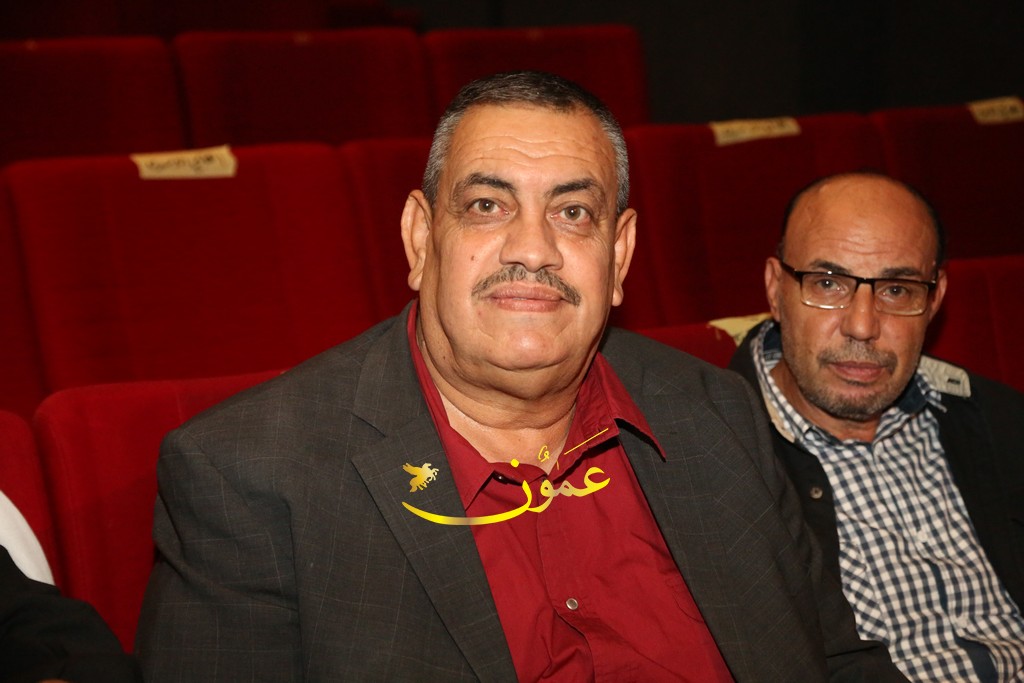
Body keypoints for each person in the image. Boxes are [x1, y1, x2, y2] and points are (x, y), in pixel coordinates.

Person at [136, 71, 904, 681]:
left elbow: (836, 661)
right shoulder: (251, 475)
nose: (532, 248)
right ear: (419, 239)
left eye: (573, 213)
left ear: (620, 255)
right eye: (486, 204)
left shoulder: (717, 413)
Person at [729, 171, 1024, 681]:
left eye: (896, 289)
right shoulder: (714, 454)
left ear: (934, 299)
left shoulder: (1001, 420)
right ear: (776, 290)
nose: (862, 325)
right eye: (828, 284)